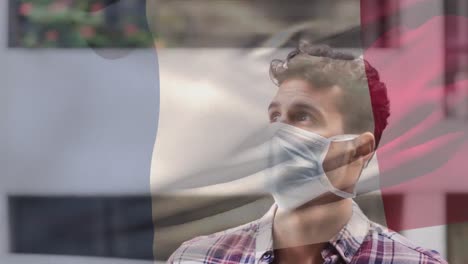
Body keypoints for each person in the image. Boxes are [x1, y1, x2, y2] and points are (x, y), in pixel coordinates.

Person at [166, 43, 448, 264]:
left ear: (359, 151)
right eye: (275, 117)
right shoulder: (197, 258)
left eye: (303, 116)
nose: (277, 134)